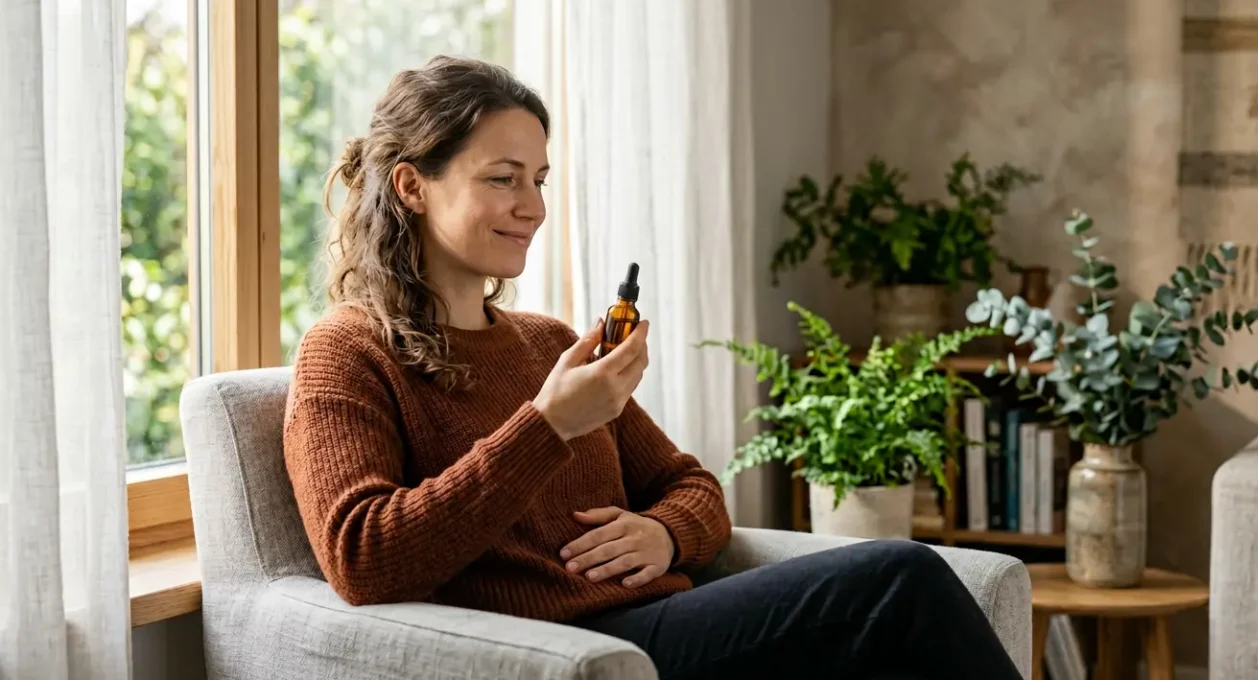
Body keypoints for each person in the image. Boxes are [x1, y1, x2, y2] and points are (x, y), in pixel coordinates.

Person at [283, 54, 1023, 680]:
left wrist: (666, 535)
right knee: (898, 578)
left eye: (539, 178)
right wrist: (547, 424)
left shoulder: (547, 343)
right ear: (413, 186)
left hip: (662, 617)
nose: (533, 206)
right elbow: (364, 557)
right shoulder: (347, 352)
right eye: (503, 178)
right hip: (585, 649)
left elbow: (692, 486)